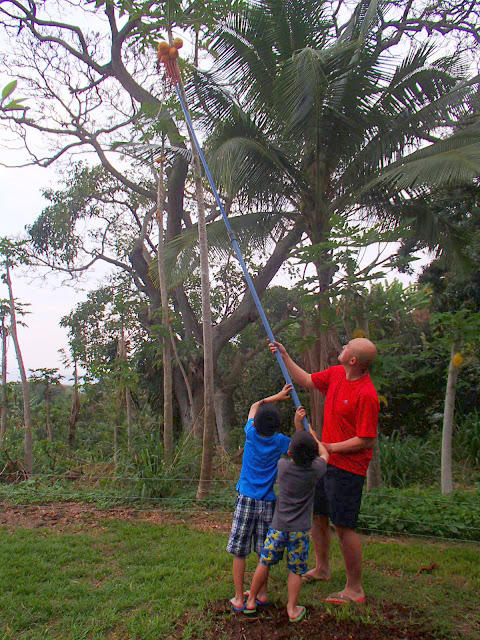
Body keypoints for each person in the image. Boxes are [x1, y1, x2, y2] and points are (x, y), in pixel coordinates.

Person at [269, 338, 379, 604]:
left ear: (353, 360)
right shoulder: (337, 374)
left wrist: (328, 446)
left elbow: (366, 439)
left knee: (344, 526)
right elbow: (306, 380)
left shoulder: (367, 394)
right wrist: (284, 354)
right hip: (326, 463)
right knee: (318, 517)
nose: (343, 346)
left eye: (347, 346)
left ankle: (355, 588)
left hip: (348, 469)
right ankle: (322, 568)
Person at [244, 407, 329, 622]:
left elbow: (292, 450)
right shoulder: (315, 471)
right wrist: (315, 439)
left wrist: (300, 429)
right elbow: (324, 454)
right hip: (299, 531)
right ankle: (292, 609)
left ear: (289, 453)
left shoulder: (282, 467)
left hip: (277, 527)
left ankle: (252, 599)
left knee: (264, 561)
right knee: (295, 570)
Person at [227, 383, 303, 612]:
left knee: (240, 551)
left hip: (246, 500)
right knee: (263, 552)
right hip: (268, 502)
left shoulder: (250, 433)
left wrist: (277, 396)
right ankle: (261, 593)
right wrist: (299, 425)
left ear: (255, 423)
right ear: (279, 425)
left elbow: (254, 405)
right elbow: (300, 447)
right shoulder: (280, 441)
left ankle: (240, 598)